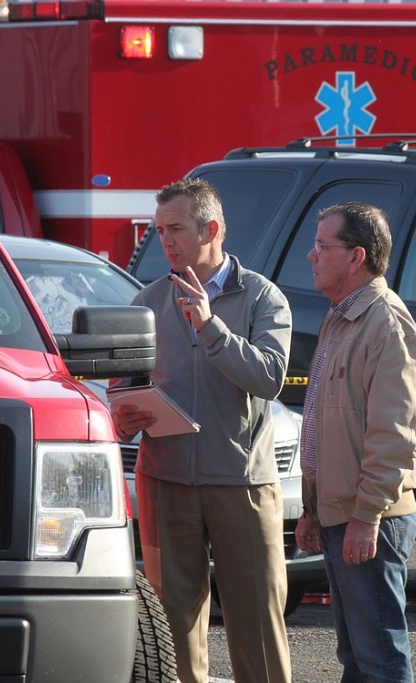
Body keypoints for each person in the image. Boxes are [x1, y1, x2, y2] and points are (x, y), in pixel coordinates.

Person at [109, 178, 293, 683]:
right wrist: (122, 418)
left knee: (257, 622)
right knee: (171, 627)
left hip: (242, 486)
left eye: (176, 229)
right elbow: (121, 392)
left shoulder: (262, 298)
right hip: (165, 482)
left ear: (211, 229)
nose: (164, 240)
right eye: (159, 230)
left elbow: (269, 378)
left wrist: (211, 327)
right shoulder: (145, 301)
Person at [294, 202, 416, 683]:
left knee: (379, 660)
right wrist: (312, 507)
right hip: (341, 512)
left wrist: (367, 515)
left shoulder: (386, 323)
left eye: (322, 246)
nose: (311, 255)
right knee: (357, 656)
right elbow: (325, 423)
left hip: (369, 517)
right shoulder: (342, 316)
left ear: (356, 257)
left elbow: (395, 435)